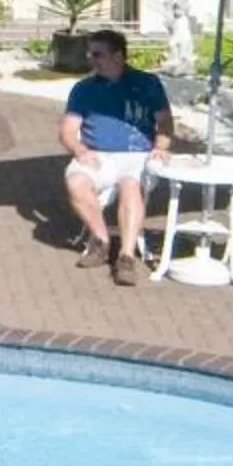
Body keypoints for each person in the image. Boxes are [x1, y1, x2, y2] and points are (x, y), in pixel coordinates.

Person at [61, 28, 173, 285]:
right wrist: (80, 150)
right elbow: (67, 130)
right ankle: (101, 241)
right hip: (97, 154)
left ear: (118, 56)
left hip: (137, 153)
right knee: (75, 182)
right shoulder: (84, 89)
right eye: (91, 54)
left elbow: (165, 122)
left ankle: (126, 257)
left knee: (130, 185)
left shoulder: (147, 84)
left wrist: (162, 146)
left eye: (98, 54)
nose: (92, 59)